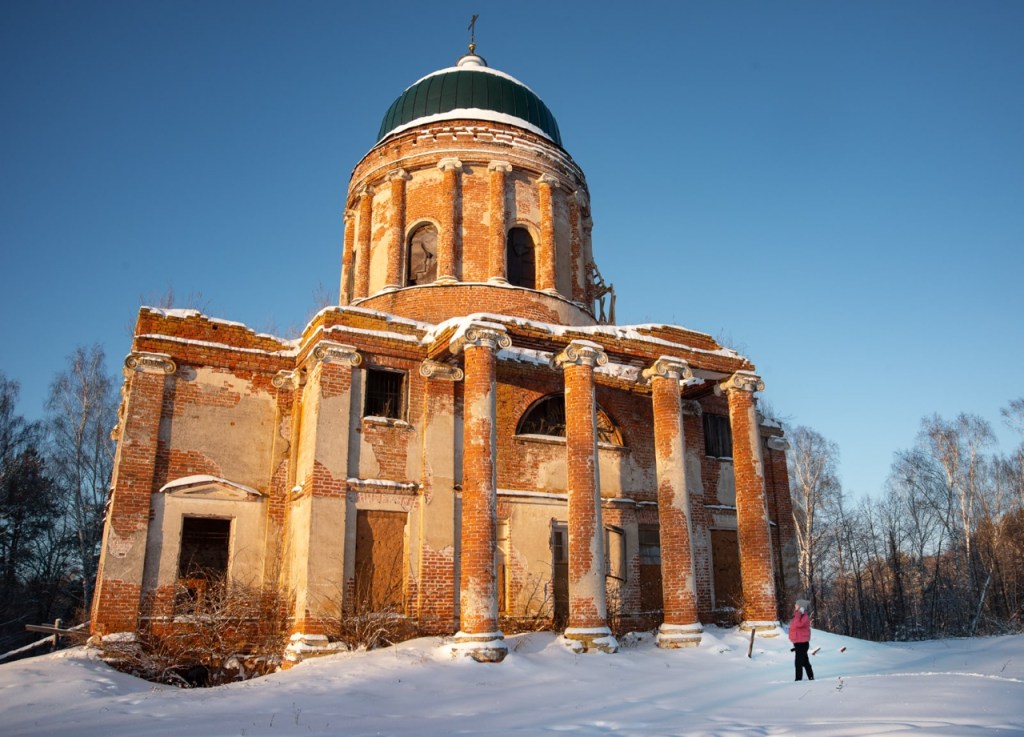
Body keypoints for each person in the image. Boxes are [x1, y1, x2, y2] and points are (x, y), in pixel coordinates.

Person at [789, 599, 814, 681]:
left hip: (802, 643)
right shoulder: (798, 616)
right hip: (798, 643)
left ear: (801, 607)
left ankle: (798, 680)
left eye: (796, 605)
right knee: (804, 661)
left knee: (798, 662)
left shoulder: (804, 617)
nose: (795, 606)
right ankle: (811, 677)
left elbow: (798, 624)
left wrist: (798, 613)